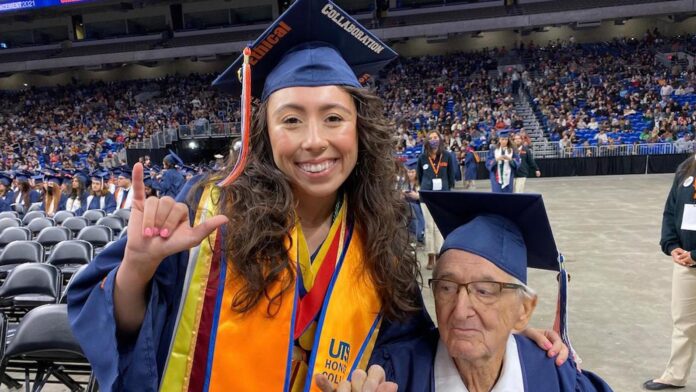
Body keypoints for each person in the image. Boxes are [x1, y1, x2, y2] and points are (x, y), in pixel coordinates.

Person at [68, 1, 568, 391]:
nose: (313, 140)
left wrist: (497, 332)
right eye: (291, 119)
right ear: (262, 131)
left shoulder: (379, 232)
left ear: (359, 129)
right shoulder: (207, 206)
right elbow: (128, 330)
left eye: (334, 117)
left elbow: (409, 344)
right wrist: (137, 267)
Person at [371, 191, 614, 391]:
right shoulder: (394, 376)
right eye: (447, 287)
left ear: (524, 310)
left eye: (485, 291)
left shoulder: (556, 378)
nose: (460, 311)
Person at [645, 156, 696, 390]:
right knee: (683, 321)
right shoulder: (686, 167)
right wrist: (671, 244)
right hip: (685, 263)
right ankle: (675, 375)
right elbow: (671, 210)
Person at [417, 130, 456, 270]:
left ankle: (440, 255)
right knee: (429, 226)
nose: (433, 140)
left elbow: (451, 175)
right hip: (427, 195)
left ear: (439, 139)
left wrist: (448, 192)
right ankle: (430, 256)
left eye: (435, 137)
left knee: (439, 226)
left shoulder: (447, 156)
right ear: (427, 141)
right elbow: (419, 176)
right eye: (430, 138)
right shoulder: (422, 158)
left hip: (442, 196)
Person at [402, 159, 424, 244]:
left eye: (412, 172)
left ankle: (419, 233)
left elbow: (426, 199)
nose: (410, 174)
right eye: (408, 172)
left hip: (419, 209)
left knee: (412, 206)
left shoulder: (422, 183)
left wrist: (417, 196)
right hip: (406, 209)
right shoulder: (403, 183)